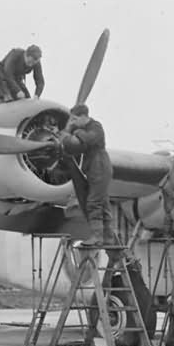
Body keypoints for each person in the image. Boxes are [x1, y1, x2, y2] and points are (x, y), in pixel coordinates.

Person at [57, 104, 113, 248]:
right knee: (103, 203)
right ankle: (108, 237)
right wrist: (68, 131)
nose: (73, 122)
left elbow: (89, 139)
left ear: (83, 116)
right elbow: (70, 142)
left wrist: (74, 133)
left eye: (75, 119)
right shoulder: (81, 128)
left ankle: (97, 237)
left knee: (93, 202)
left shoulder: (95, 126)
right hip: (93, 167)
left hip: (99, 165)